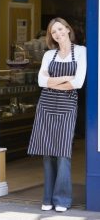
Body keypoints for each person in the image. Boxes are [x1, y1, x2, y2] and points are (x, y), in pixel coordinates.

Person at [27, 17, 87, 212]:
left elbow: (77, 83)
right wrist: (64, 78)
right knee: (47, 153)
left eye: (60, 29)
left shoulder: (80, 52)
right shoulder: (49, 55)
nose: (58, 34)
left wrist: (52, 81)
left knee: (62, 154)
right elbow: (40, 82)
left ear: (68, 29)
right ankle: (48, 198)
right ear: (51, 36)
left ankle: (61, 199)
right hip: (45, 105)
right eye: (54, 32)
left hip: (67, 105)